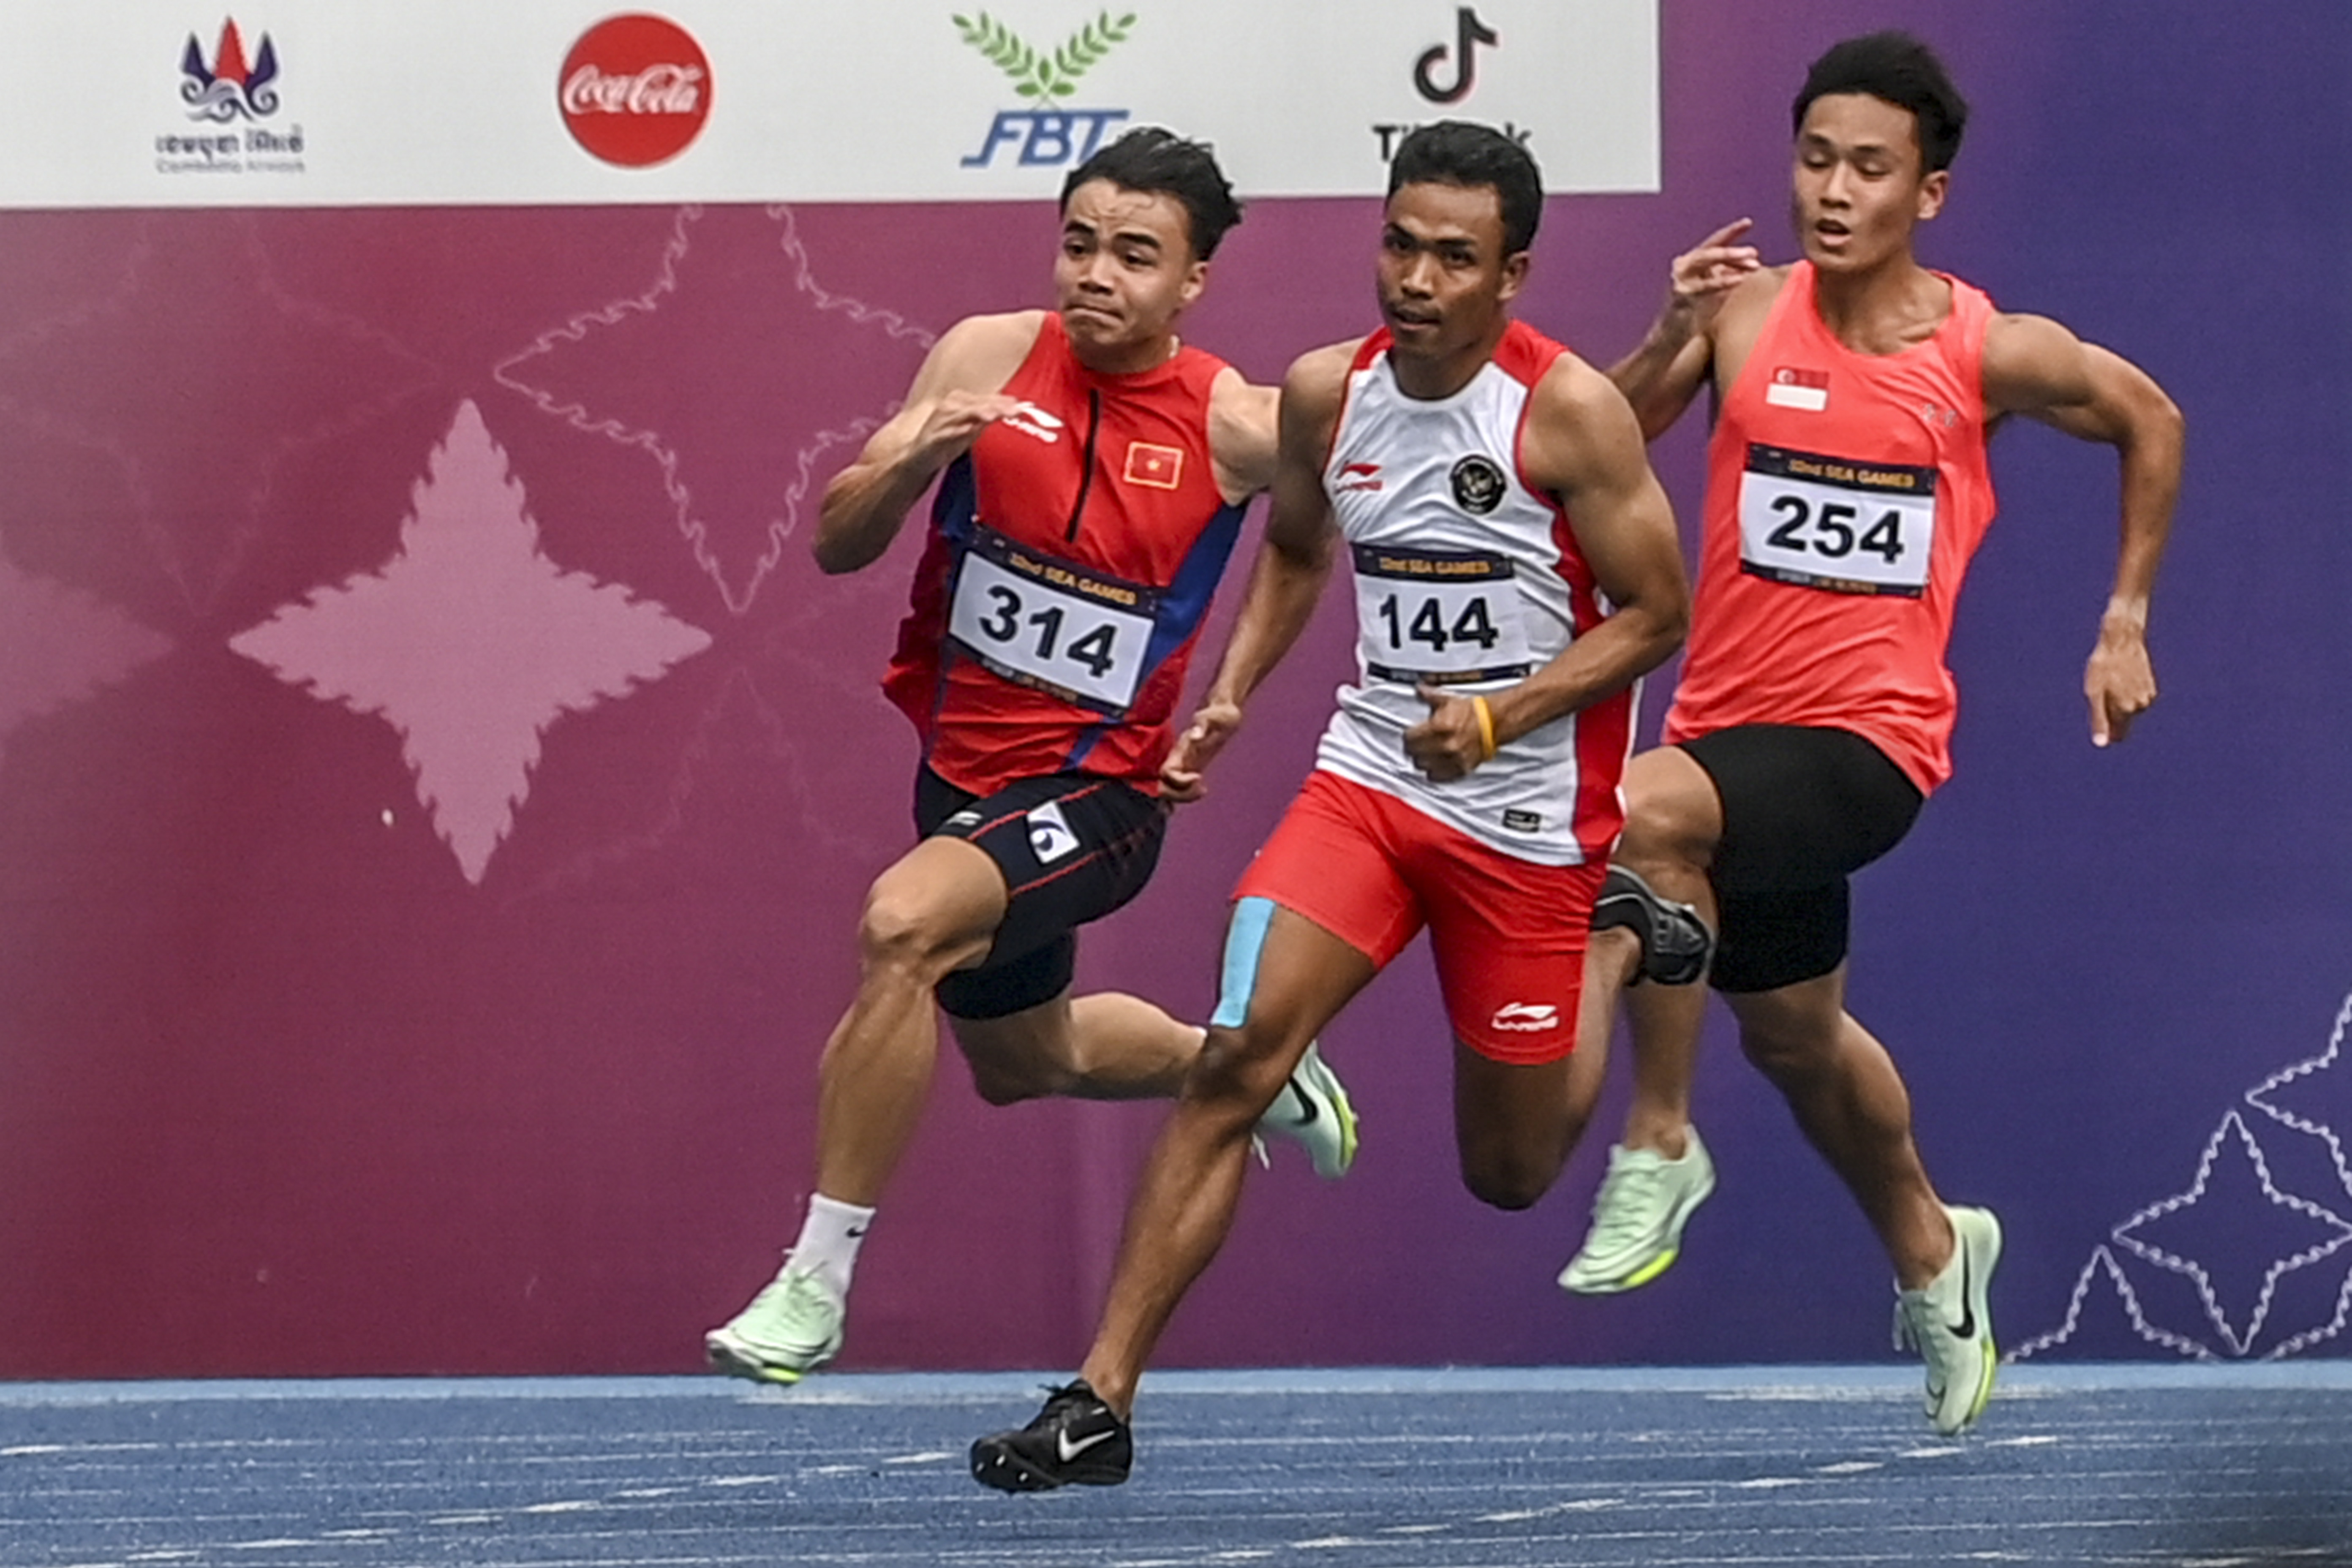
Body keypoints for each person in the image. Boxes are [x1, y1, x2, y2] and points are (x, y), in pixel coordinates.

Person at [968, 120, 1693, 1492]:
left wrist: (1502, 715)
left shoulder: (1569, 414)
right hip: (1363, 789)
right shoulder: (1322, 394)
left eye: (1455, 256)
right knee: (1238, 1057)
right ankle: (1099, 1402)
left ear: (1513, 273)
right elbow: (1298, 551)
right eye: (1400, 243)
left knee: (1513, 1172)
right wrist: (1234, 693)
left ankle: (1616, 935)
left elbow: (1660, 614)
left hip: (1527, 829)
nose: (1416, 278)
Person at [1554, 32, 2183, 1438]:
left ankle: (1658, 1140)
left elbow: (2151, 418)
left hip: (1868, 749)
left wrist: (2125, 617)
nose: (1833, 191)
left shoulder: (1986, 348)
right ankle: (1935, 1248)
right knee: (1797, 1038)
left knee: (1642, 816)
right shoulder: (1742, 314)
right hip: (1733, 736)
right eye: (1816, 160)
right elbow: (1596, 439)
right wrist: (1665, 330)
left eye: (1870, 168)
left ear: (1931, 195)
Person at [704, 127, 1359, 1387]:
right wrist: (913, 455)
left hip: (1102, 800)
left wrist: (1229, 695)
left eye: (1134, 255)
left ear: (1193, 282)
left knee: (904, 923)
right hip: (962, 779)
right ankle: (1255, 1068)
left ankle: (814, 1287)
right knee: (1028, 1061)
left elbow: (1306, 545)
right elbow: (839, 545)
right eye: (1079, 244)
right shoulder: (985, 356)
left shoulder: (1237, 423)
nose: (1096, 275)